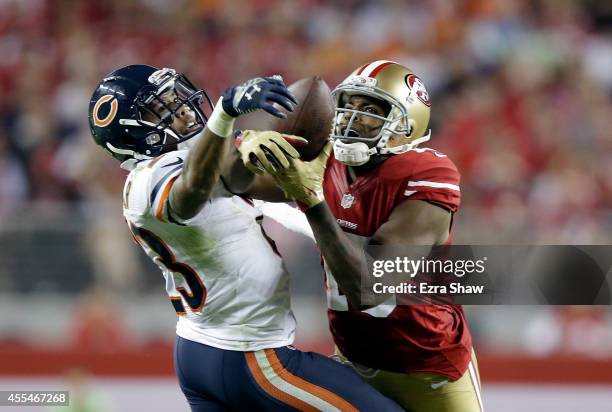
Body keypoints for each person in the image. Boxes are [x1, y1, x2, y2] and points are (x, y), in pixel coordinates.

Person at [88, 64, 402, 411]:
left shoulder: (195, 158)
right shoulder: (147, 181)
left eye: (173, 98)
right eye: (159, 109)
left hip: (204, 349)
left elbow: (250, 183)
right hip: (248, 355)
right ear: (131, 135)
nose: (178, 109)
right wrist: (224, 113)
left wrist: (276, 153)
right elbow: (192, 191)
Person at [240, 61, 484, 411]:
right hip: (354, 359)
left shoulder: (427, 172)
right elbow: (232, 182)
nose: (351, 119)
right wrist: (243, 142)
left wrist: (312, 201)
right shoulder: (324, 159)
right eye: (348, 106)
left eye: (370, 110)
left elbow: (370, 286)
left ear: (407, 123)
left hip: (427, 366)